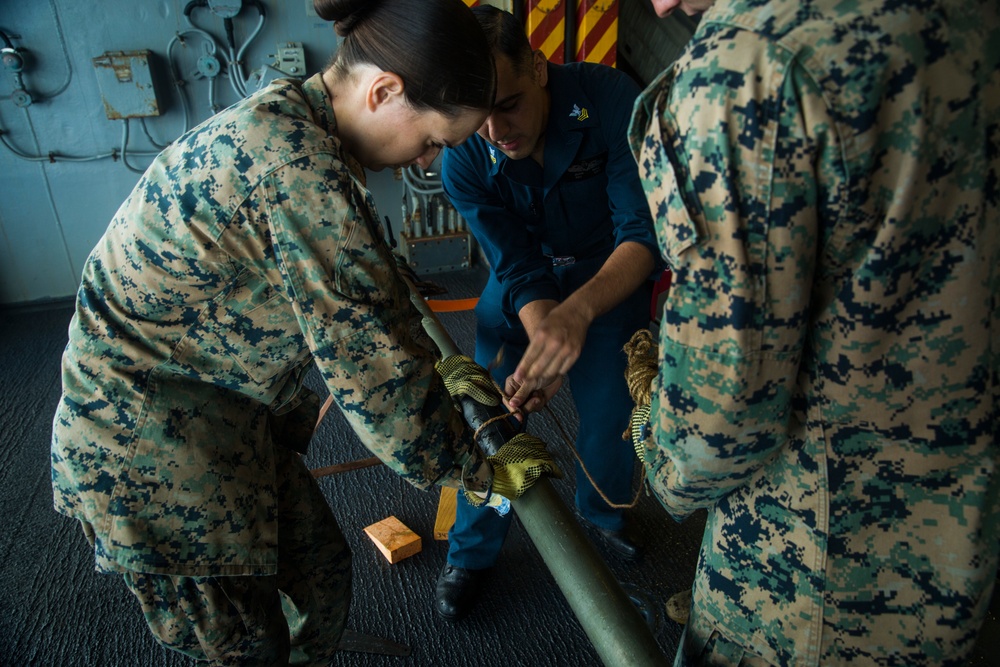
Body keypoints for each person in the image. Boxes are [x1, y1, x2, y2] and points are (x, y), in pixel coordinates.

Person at [49, 1, 560, 664]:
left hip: (219, 407)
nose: (430, 160)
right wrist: (482, 466)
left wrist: (429, 342)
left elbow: (359, 266)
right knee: (246, 642)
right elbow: (377, 383)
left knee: (319, 571)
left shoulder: (295, 115)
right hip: (144, 448)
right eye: (433, 139)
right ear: (383, 92)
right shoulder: (298, 173)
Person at [627, 0, 1000, 665]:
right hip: (961, 544)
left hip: (809, 581)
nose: (662, 6)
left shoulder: (748, 65)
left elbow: (716, 428)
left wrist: (652, 428)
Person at [433, 5, 661, 621]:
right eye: (476, 118)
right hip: (520, 290)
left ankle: (602, 516)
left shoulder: (611, 99)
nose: (495, 132)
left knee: (613, 414)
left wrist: (578, 314)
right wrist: (544, 328)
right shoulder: (464, 155)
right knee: (489, 416)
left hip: (608, 279)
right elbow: (512, 259)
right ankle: (474, 549)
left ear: (537, 65)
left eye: (507, 103)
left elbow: (641, 234)